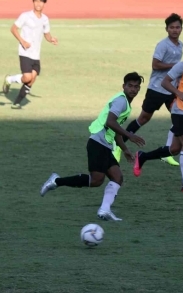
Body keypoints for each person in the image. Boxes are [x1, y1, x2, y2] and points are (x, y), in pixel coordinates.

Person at [40, 72, 146, 221]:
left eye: (136, 87)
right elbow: (110, 122)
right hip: (98, 142)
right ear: (124, 86)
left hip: (105, 144)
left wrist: (125, 149)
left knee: (117, 177)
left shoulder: (125, 104)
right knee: (97, 180)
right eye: (130, 86)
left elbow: (115, 129)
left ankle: (104, 210)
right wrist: (130, 135)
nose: (133, 89)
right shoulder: (121, 101)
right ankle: (56, 181)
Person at [133, 34, 183, 193]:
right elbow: (165, 82)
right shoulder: (182, 66)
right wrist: (178, 93)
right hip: (179, 110)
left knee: (174, 149)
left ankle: (142, 156)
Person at [122, 13, 183, 166]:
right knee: (143, 119)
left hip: (171, 89)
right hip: (157, 89)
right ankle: (119, 144)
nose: (175, 30)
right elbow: (155, 65)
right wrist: (175, 66)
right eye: (172, 27)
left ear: (181, 29)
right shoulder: (163, 45)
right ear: (167, 29)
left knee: (179, 116)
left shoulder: (181, 45)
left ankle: (167, 151)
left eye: (177, 27)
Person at [2, 0, 58, 109]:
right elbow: (13, 29)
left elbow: (46, 34)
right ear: (33, 2)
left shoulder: (45, 19)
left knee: (32, 80)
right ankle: (9, 79)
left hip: (36, 54)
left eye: (41, 2)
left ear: (44, 4)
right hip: (25, 52)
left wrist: (51, 39)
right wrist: (22, 41)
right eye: (36, 1)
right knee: (27, 77)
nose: (38, 4)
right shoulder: (26, 16)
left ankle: (16, 103)